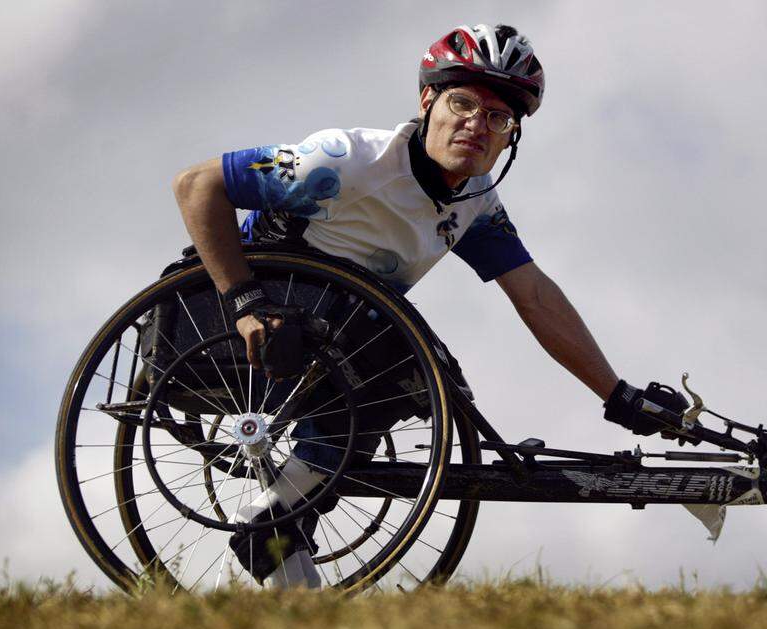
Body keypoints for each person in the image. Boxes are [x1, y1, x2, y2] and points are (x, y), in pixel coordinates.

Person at [172, 23, 691, 588]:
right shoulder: (343, 163)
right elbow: (196, 186)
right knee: (401, 357)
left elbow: (535, 295)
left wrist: (615, 395)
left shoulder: (474, 202)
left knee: (420, 379)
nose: (476, 125)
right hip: (257, 323)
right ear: (428, 101)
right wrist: (246, 304)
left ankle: (271, 536)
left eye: (497, 118)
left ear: (509, 135)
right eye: (463, 103)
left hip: (345, 342)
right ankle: (271, 524)